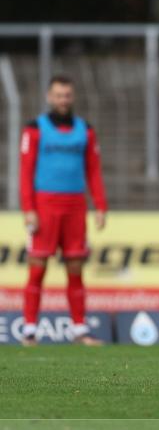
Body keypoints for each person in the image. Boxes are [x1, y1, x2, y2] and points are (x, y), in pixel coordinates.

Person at [19, 75, 107, 346]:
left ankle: (79, 329)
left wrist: (100, 205)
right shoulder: (35, 129)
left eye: (67, 95)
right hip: (44, 205)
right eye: (58, 95)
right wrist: (28, 208)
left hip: (75, 206)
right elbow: (25, 171)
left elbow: (93, 170)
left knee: (75, 267)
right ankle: (29, 329)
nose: (63, 100)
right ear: (49, 97)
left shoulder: (86, 130)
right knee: (37, 267)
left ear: (73, 97)